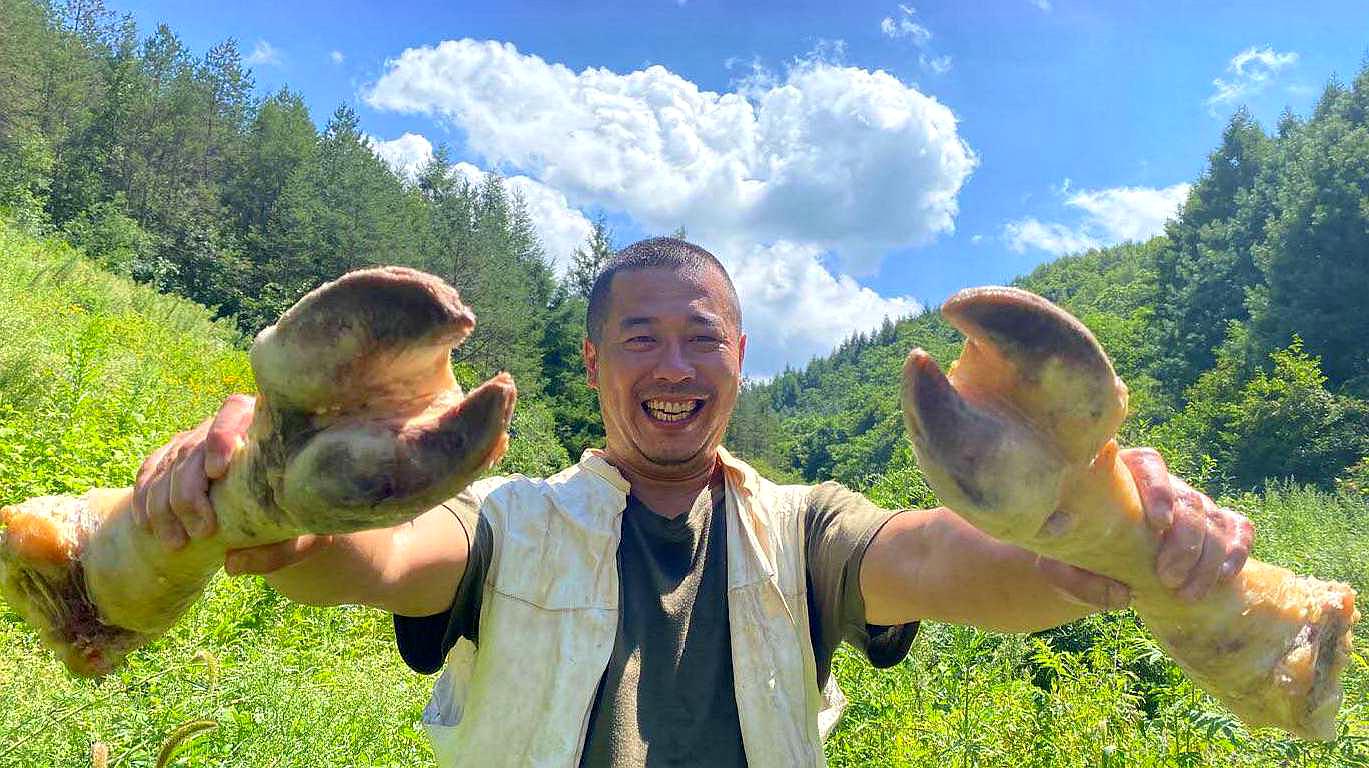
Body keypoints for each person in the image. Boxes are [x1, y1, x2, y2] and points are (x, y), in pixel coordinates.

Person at [131, 238, 1253, 767]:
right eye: (640, 337)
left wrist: (1100, 544)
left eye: (701, 337)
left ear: (740, 359)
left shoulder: (807, 526)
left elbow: (949, 562)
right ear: (592, 364)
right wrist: (270, 509)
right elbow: (369, 561)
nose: (674, 364)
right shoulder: (506, 519)